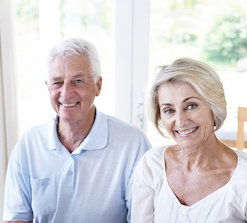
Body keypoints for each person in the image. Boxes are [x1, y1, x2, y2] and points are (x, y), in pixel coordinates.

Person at [131, 58, 247, 222]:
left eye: (191, 106)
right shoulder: (152, 165)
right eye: (169, 110)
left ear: (214, 106)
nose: (180, 121)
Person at [3, 38, 151, 223]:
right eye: (57, 82)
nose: (66, 92)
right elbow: (16, 219)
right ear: (47, 87)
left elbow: (142, 219)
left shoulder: (133, 143)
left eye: (78, 81)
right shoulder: (28, 144)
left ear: (98, 86)